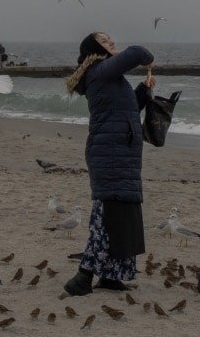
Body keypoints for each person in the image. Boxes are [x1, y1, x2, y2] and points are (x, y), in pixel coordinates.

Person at [63, 32, 155, 295]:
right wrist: (148, 58)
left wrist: (144, 90)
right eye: (105, 41)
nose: (111, 42)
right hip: (110, 153)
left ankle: (110, 277)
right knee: (107, 216)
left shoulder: (105, 76)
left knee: (123, 215)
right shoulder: (99, 70)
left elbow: (125, 111)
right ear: (95, 49)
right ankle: (82, 277)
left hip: (119, 152)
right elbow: (137, 51)